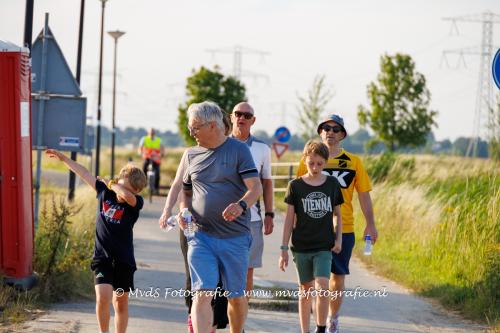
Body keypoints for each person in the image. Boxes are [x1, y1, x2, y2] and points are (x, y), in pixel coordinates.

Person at [177, 101, 262, 333]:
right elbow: (185, 191)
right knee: (202, 294)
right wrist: (184, 210)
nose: (191, 132)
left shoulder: (238, 151)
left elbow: (256, 187)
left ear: (212, 126)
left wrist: (241, 205)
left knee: (235, 296)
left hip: (234, 237)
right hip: (201, 236)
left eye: (195, 127)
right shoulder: (192, 155)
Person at [45, 149, 147, 333]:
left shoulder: (136, 202)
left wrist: (113, 183)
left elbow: (128, 197)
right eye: (122, 185)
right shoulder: (104, 192)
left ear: (136, 191)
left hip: (124, 260)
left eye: (127, 189)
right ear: (119, 180)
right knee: (102, 298)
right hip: (102, 258)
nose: (121, 192)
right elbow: (83, 172)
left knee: (120, 303)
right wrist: (64, 158)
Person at [296, 114, 378, 333]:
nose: (330, 132)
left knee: (336, 279)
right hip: (312, 229)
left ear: (342, 134)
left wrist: (370, 224)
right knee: (313, 281)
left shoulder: (353, 162)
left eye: (335, 129)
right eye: (326, 128)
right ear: (320, 132)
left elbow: (363, 195)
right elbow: (297, 196)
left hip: (344, 228)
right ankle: (317, 324)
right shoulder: (307, 159)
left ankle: (332, 318)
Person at [158, 112, 233, 333]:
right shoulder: (190, 154)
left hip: (222, 227)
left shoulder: (232, 154)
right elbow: (177, 185)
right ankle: (195, 317)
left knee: (219, 279)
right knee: (194, 275)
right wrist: (167, 210)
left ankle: (212, 323)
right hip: (191, 224)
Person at [280, 140, 343, 333]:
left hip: (324, 246)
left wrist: (338, 238)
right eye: (311, 163)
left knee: (323, 285)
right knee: (305, 291)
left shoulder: (332, 184)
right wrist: (283, 249)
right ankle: (304, 330)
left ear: (326, 162)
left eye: (319, 164)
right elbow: (289, 219)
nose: (315, 167)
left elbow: (337, 215)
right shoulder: (295, 186)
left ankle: (321, 328)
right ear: (304, 160)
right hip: (301, 246)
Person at [230, 102, 274, 296]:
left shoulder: (262, 149)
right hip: (223, 218)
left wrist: (270, 214)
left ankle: (241, 319)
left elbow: (267, 183)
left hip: (252, 219)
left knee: (247, 271)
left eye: (247, 116)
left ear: (253, 121)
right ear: (231, 117)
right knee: (224, 269)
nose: (242, 118)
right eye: (238, 114)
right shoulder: (221, 144)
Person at [138, 127, 164, 193]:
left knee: (157, 173)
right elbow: (140, 148)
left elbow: (162, 149)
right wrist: (140, 153)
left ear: (154, 133)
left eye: (152, 133)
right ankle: (144, 184)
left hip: (155, 159)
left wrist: (161, 154)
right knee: (144, 169)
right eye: (150, 133)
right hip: (147, 158)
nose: (151, 134)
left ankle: (156, 188)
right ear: (148, 133)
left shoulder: (159, 140)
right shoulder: (144, 139)